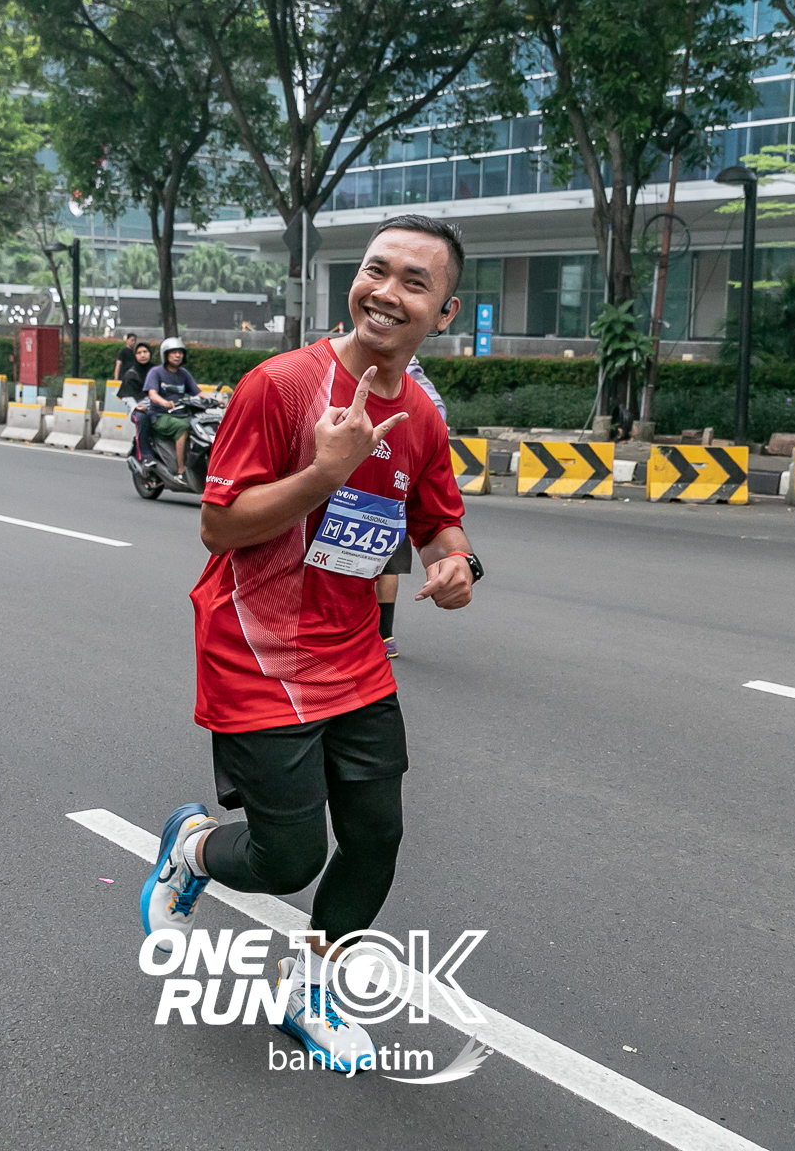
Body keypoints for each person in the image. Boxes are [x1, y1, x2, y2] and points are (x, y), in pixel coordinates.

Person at [139, 214, 483, 1073]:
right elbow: (220, 527)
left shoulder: (422, 417)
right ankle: (191, 849)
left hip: (355, 655)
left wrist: (456, 565)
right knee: (288, 859)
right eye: (376, 270)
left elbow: (439, 522)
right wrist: (326, 471)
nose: (386, 292)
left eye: (414, 282)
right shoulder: (282, 387)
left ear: (445, 313)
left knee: (375, 837)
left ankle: (311, 989)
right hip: (257, 651)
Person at [375, 357, 449, 657]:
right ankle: (385, 635)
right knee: (387, 562)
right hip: (399, 483)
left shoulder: (374, 375)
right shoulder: (425, 390)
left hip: (368, 479)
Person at [142, 337, 200, 469]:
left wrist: (216, 401)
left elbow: (197, 392)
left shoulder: (184, 374)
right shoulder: (156, 372)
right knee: (183, 427)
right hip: (160, 416)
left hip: (181, 414)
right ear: (165, 354)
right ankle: (181, 470)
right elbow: (152, 394)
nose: (177, 355)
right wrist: (164, 403)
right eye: (173, 352)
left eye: (180, 352)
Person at [117, 340, 153, 404]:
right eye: (139, 353)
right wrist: (135, 406)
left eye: (145, 352)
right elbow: (126, 395)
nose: (142, 355)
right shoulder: (131, 374)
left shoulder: (156, 371)